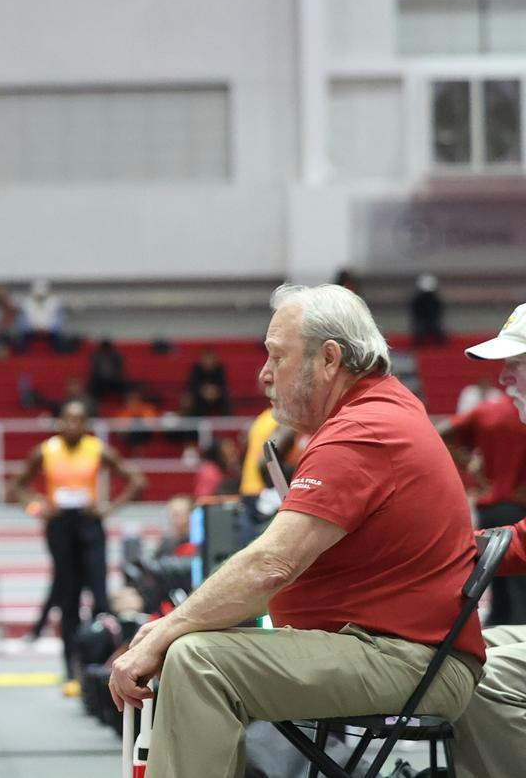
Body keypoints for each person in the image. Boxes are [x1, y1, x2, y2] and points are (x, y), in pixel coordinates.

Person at [107, 285, 486, 778]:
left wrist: (168, 628)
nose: (264, 374)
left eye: (277, 356)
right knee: (199, 645)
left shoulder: (363, 431)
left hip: (409, 661)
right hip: (399, 652)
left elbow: (270, 565)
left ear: (329, 358)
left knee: (199, 660)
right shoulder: (377, 413)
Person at [8, 399, 146, 691]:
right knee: (67, 598)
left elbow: (136, 480)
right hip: (60, 525)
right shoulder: (46, 450)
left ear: (86, 424)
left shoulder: (97, 449)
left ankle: (102, 666)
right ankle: (71, 669)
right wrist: (37, 508)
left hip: (89, 523)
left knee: (100, 598)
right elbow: (16, 486)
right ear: (60, 422)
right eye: (67, 419)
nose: (72, 425)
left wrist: (108, 509)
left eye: (78, 420)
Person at [453, 302, 526, 778]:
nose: (504, 379)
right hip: (504, 516)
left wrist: (428, 550)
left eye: (516, 365)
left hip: (500, 513)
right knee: (467, 650)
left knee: (468, 679)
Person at [440, 348, 526, 625]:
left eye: (516, 365)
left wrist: (470, 466)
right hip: (516, 507)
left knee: (499, 592)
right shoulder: (509, 412)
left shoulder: (489, 410)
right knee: (518, 594)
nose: (503, 377)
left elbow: (441, 434)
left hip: (492, 507)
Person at [180, 349, 232, 418]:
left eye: (210, 359)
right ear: (201, 360)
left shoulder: (220, 369)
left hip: (217, 396)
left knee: (227, 397)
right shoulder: (196, 369)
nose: (208, 362)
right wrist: (204, 391)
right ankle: (196, 421)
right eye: (206, 359)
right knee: (189, 399)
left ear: (215, 360)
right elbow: (193, 385)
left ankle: (228, 421)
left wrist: (215, 391)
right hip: (199, 396)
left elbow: (223, 385)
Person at [410, 272, 447, 346]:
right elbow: (416, 315)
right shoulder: (417, 301)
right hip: (421, 325)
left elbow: (438, 314)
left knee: (439, 335)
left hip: (433, 324)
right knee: (420, 333)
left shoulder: (435, 301)